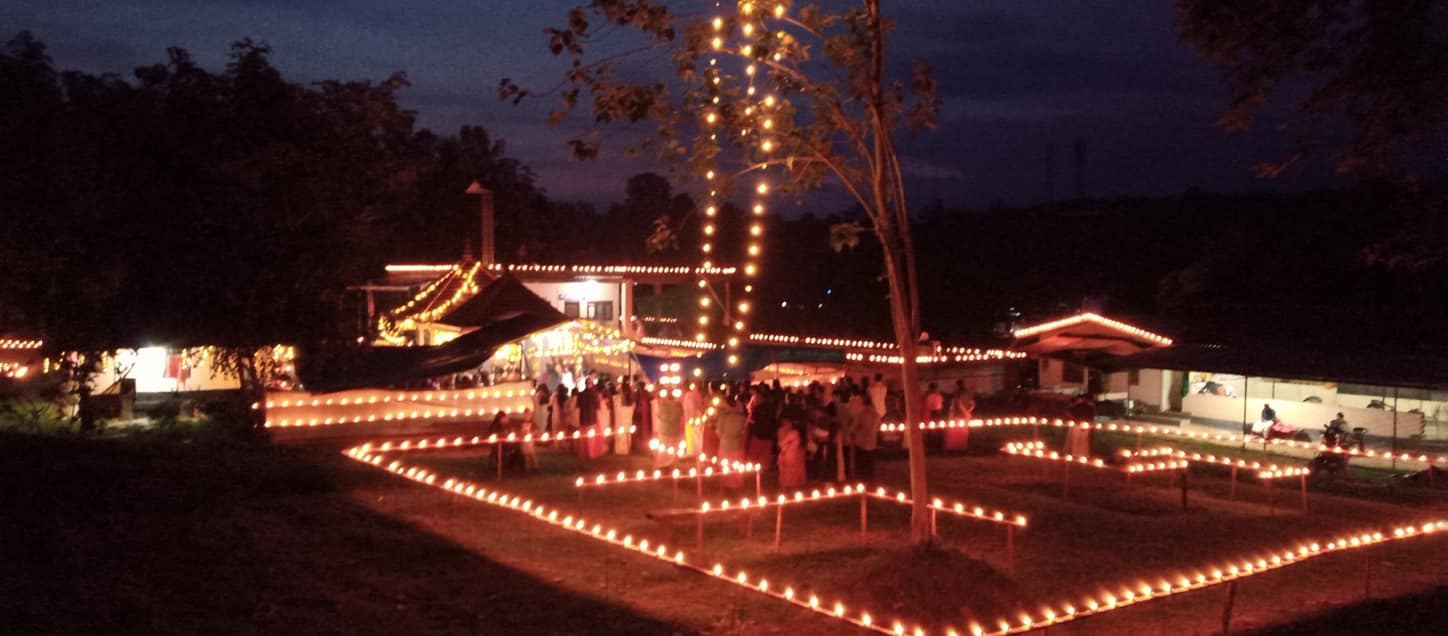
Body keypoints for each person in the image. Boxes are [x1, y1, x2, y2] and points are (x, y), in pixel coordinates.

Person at [715, 394, 748, 489]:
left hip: (725, 444)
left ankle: (724, 485)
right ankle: (736, 485)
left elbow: (718, 431)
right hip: (736, 445)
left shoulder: (723, 416)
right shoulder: (741, 417)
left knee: (724, 466)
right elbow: (743, 431)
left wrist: (724, 436)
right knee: (736, 466)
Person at [854, 395, 881, 477]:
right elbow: (878, 427)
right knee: (870, 465)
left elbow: (855, 427)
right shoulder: (876, 414)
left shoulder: (861, 413)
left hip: (861, 443)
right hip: (872, 442)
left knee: (862, 465)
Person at [777, 415, 807, 488]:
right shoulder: (802, 434)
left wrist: (781, 444)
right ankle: (796, 485)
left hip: (790, 455)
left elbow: (782, 443)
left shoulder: (793, 433)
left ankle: (788, 485)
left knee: (789, 472)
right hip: (798, 455)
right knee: (797, 471)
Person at [945, 379, 975, 451]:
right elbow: (973, 404)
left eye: (955, 385)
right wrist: (968, 412)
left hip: (958, 415)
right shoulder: (968, 393)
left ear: (958, 385)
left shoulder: (958, 393)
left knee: (956, 432)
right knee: (963, 432)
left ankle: (955, 447)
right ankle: (962, 447)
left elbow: (958, 403)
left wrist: (965, 412)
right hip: (965, 416)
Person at [613, 382, 635, 455]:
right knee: (627, 434)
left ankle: (621, 450)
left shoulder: (618, 398)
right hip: (627, 419)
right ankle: (627, 448)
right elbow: (633, 409)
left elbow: (616, 407)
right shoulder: (631, 399)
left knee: (621, 435)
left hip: (621, 419)